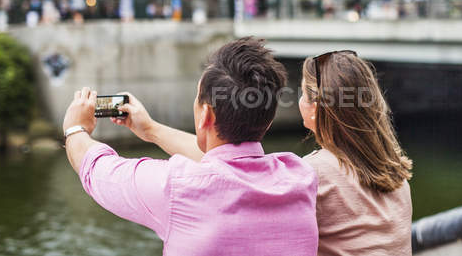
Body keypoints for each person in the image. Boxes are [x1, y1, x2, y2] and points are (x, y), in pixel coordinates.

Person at [62, 38, 318, 256]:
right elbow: (226, 164)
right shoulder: (300, 176)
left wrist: (75, 128)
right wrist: (150, 130)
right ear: (269, 119)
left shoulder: (177, 186)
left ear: (205, 114)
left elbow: (94, 166)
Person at [298, 51, 413, 256]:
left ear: (316, 108)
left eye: (303, 94)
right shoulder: (399, 177)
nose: (299, 101)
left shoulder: (313, 173)